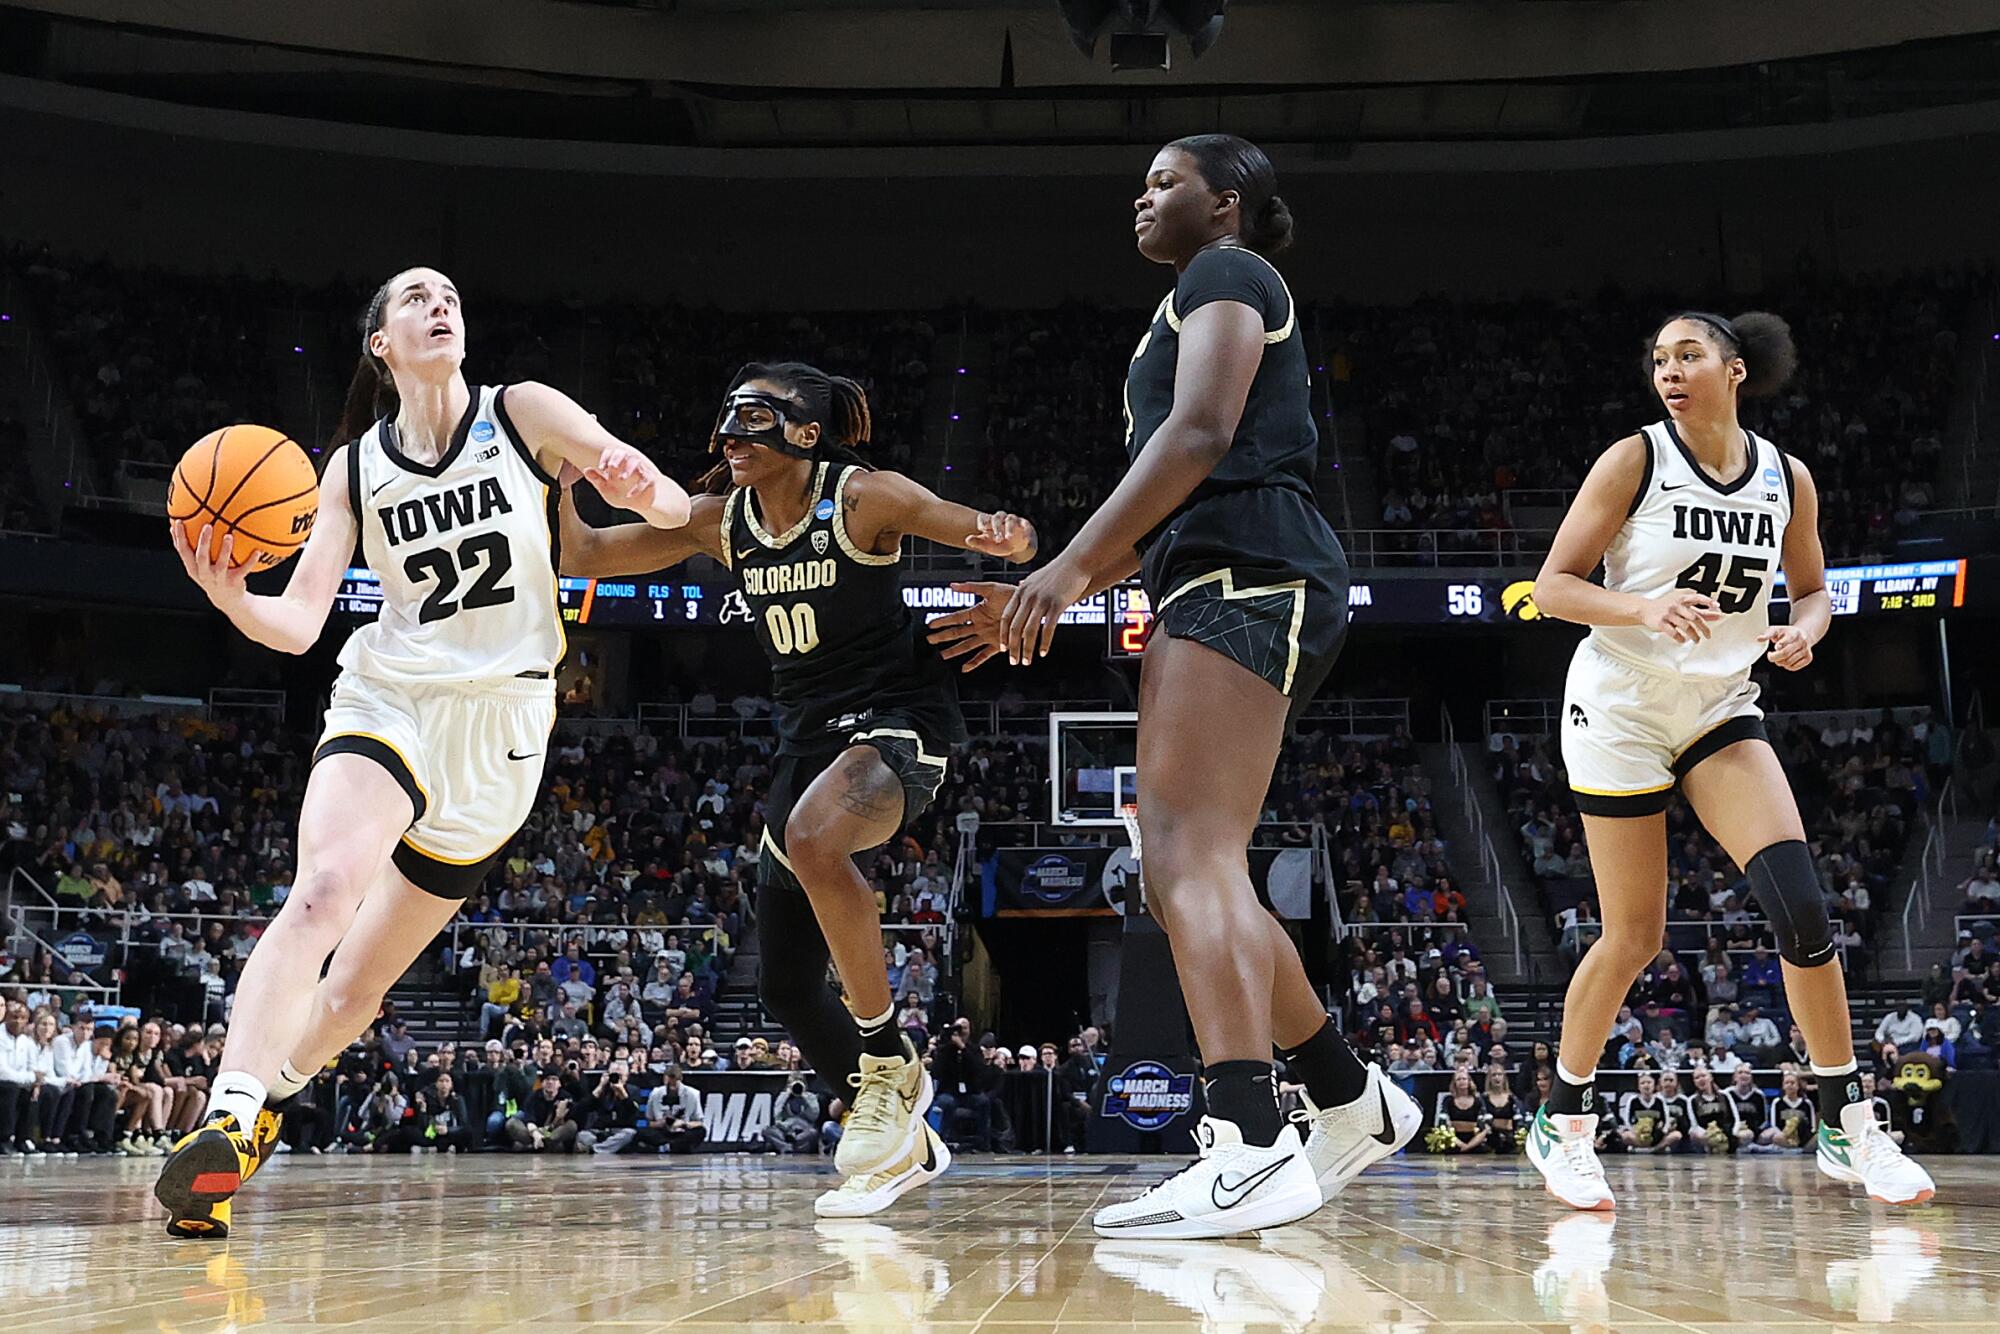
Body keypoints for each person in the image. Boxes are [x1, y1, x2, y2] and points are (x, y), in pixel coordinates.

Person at [928, 133, 1420, 1241]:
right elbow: (1158, 509)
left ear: (1226, 203)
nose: (1140, 198)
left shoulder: (1226, 274)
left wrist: (1059, 571)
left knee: (1183, 856)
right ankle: (1348, 1097)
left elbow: (1199, 437)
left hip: (1251, 569)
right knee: (1197, 867)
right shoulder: (1185, 303)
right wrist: (1044, 593)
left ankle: (1246, 1138)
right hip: (1217, 572)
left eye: (1164, 182)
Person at [153, 266, 691, 1237]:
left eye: (447, 295)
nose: (439, 303)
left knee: (360, 982)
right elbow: (301, 619)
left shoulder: (523, 412)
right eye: (413, 297)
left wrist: (637, 484)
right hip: (389, 695)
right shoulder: (354, 467)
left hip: (505, 728)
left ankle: (272, 1097)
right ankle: (224, 1113)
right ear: (380, 342)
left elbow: (660, 505)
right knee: (323, 889)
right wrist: (235, 598)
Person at [558, 360, 1033, 1216]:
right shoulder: (720, 519)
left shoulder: (863, 498)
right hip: (803, 739)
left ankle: (889, 1058)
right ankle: (902, 1136)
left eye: (757, 417)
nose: (734, 432)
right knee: (783, 984)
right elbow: (581, 554)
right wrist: (561, 473)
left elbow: (998, 533)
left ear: (805, 434)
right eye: (730, 416)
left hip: (897, 716)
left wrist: (1008, 545)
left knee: (815, 839)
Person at [1523, 310, 1932, 1210]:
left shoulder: (1788, 476)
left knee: (1805, 912)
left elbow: (1817, 590)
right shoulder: (1634, 457)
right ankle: (1563, 1117)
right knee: (1635, 937)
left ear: (1735, 369)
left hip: (1719, 705)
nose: (1669, 371)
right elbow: (1552, 586)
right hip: (1621, 707)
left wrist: (1805, 632)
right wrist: (1644, 608)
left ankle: (1846, 1123)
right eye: (1659, 359)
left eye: (1688, 355)